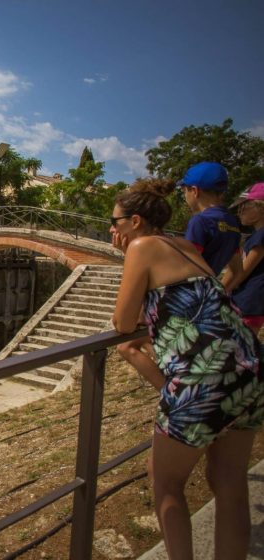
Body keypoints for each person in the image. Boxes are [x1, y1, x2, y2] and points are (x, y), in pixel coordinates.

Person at [110, 178, 262, 560]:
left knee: (166, 484)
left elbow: (122, 322)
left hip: (204, 380)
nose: (112, 230)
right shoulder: (183, 246)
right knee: (229, 483)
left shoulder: (142, 247)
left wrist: (123, 257)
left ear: (137, 222)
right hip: (249, 369)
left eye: (115, 222)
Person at [117, 162, 242, 382]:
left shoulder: (199, 222)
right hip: (240, 353)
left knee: (127, 345)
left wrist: (129, 256)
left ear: (194, 191)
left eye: (114, 222)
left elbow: (123, 323)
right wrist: (212, 296)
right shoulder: (231, 223)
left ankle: (172, 394)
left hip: (198, 349)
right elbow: (236, 270)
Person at [225, 182, 264, 336]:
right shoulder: (255, 236)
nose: (240, 211)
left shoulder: (261, 237)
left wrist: (218, 292)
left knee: (241, 351)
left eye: (245, 206)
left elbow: (241, 272)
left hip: (249, 302)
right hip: (248, 301)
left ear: (261, 208)